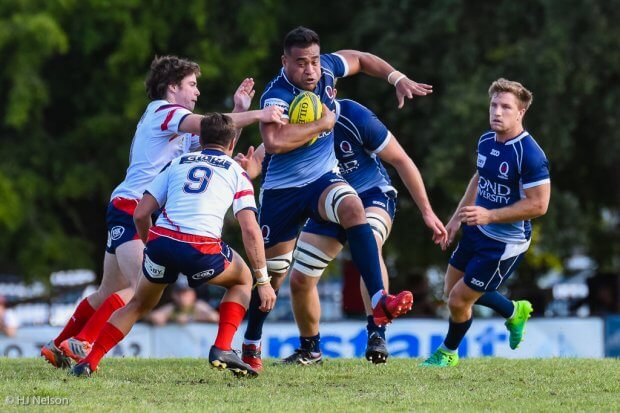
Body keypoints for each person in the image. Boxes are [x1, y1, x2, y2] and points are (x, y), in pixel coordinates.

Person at [41, 55, 283, 368]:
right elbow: (210, 124)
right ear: (171, 88)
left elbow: (218, 138)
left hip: (130, 206)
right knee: (137, 290)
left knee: (107, 291)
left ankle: (58, 344)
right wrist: (262, 113)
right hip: (133, 207)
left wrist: (238, 109)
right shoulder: (162, 111)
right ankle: (83, 342)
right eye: (192, 85)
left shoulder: (177, 125)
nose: (197, 93)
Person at [240, 26, 434, 371]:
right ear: (285, 62)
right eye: (301, 63)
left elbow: (359, 58)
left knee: (352, 206)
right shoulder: (276, 94)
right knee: (274, 277)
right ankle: (252, 342)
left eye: (314, 61)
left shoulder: (330, 72)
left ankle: (379, 303)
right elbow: (275, 143)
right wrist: (321, 124)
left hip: (323, 181)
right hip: (282, 194)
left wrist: (395, 77)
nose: (310, 70)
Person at [70, 113, 277, 377]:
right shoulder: (237, 171)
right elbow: (249, 229)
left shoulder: (177, 162)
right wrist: (264, 280)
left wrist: (149, 246)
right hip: (201, 249)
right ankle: (223, 347)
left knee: (137, 305)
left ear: (200, 139)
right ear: (232, 143)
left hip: (161, 244)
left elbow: (140, 214)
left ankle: (89, 362)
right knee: (243, 279)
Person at [421, 78, 550, 367]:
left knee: (458, 300)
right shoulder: (486, 140)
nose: (497, 112)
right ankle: (513, 311)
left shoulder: (530, 154)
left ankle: (448, 353)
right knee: (449, 290)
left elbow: (539, 205)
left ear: (521, 113)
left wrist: (489, 215)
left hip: (504, 243)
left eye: (506, 107)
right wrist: (456, 219)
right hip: (476, 230)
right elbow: (479, 179)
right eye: (494, 105)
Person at [148, 278, 219, 325]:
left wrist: (189, 318)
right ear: (174, 295)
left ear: (193, 294)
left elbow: (215, 317)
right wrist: (173, 318)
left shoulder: (198, 305)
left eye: (185, 293)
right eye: (179, 294)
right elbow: (154, 317)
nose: (182, 297)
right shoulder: (172, 307)